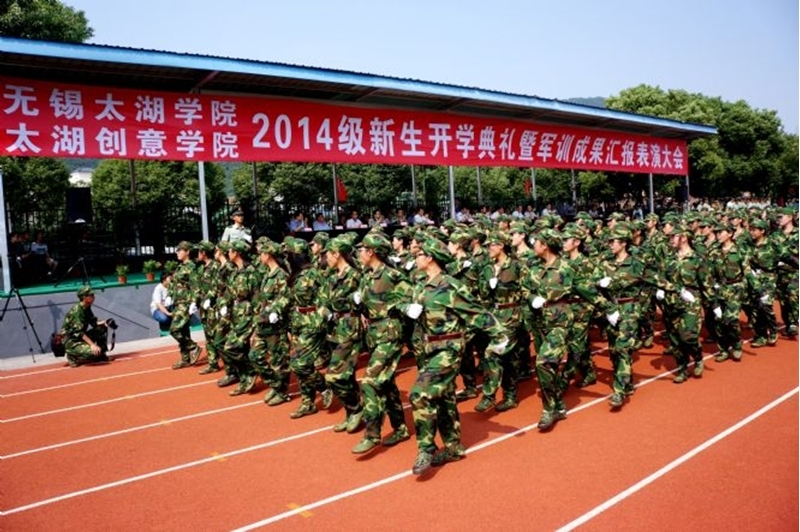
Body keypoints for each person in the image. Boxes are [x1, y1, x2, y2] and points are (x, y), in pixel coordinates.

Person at [401, 236, 509, 475]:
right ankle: (453, 446)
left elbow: (476, 312)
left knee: (419, 394)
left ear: (429, 258)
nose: (415, 257)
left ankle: (425, 449)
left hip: (449, 349)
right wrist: (406, 309)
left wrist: (499, 336)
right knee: (444, 398)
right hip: (429, 349)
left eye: (419, 254)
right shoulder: (421, 283)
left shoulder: (450, 286)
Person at [350, 233, 410, 453]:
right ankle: (401, 427)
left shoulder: (392, 275)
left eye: (361, 250)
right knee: (387, 384)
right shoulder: (367, 275)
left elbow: (409, 296)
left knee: (369, 381)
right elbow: (363, 304)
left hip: (389, 333)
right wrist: (357, 302)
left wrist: (393, 306)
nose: (358, 254)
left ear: (371, 252)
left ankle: (372, 433)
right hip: (374, 334)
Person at [169, 241, 202, 369]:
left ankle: (193, 347)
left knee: (174, 329)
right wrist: (169, 296)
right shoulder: (180, 267)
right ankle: (185, 358)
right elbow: (174, 284)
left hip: (185, 303)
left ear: (187, 251)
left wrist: (194, 302)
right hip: (178, 302)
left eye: (180, 250)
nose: (177, 252)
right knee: (183, 331)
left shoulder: (191, 267)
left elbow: (195, 286)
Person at [62, 286, 111, 367]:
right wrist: (92, 345)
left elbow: (94, 322)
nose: (93, 297)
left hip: (80, 337)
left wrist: (105, 323)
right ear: (84, 297)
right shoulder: (77, 311)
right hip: (71, 341)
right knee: (93, 353)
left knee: (101, 328)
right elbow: (79, 332)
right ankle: (72, 355)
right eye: (91, 295)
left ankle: (101, 354)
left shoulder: (86, 307)